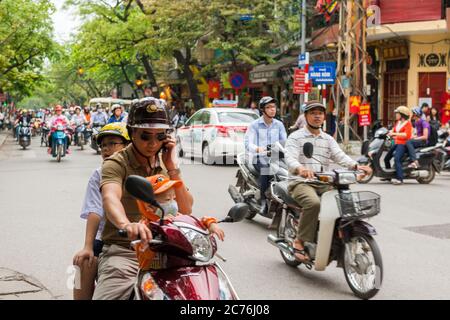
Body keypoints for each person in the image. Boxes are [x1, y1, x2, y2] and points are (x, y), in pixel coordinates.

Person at [92, 97, 193, 300]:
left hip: (167, 249)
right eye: (146, 136)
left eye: (160, 136)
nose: (153, 143)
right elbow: (110, 197)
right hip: (124, 250)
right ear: (131, 133)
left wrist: (172, 167)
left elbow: (186, 208)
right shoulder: (115, 163)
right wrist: (127, 224)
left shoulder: (167, 164)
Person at [285, 101, 372, 263]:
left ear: (324, 116)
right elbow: (289, 157)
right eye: (313, 113)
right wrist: (300, 169)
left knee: (346, 202)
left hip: (323, 181)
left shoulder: (327, 138)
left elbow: (339, 156)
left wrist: (356, 166)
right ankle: (299, 241)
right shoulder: (295, 137)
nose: (317, 116)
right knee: (313, 204)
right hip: (301, 182)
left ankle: (346, 235)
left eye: (320, 113)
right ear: (306, 116)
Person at [72, 123, 131, 300]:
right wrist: (88, 246)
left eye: (112, 143)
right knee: (82, 262)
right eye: (103, 145)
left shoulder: (143, 169)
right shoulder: (98, 175)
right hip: (107, 238)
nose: (106, 149)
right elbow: (95, 211)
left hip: (141, 238)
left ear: (127, 146)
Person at [133, 174, 224, 270]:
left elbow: (194, 222)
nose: (173, 203)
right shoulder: (144, 226)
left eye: (174, 198)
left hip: (181, 269)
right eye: (167, 199)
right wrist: (160, 225)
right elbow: (143, 251)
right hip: (154, 274)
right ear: (149, 206)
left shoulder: (177, 217)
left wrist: (210, 223)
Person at [244, 96, 287, 216]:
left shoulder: (279, 125)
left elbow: (285, 141)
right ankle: (263, 201)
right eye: (269, 107)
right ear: (263, 110)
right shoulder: (254, 125)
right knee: (266, 169)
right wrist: (258, 149)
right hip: (259, 157)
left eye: (273, 107)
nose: (272, 109)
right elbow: (248, 143)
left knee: (290, 170)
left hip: (276, 155)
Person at [383, 106, 413, 185]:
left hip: (403, 144)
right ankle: (388, 176)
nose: (396, 115)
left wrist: (394, 133)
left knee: (397, 159)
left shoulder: (408, 124)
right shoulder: (398, 123)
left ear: (402, 115)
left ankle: (400, 179)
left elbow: (407, 135)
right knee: (386, 158)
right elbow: (393, 131)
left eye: (397, 113)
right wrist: (387, 134)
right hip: (396, 143)